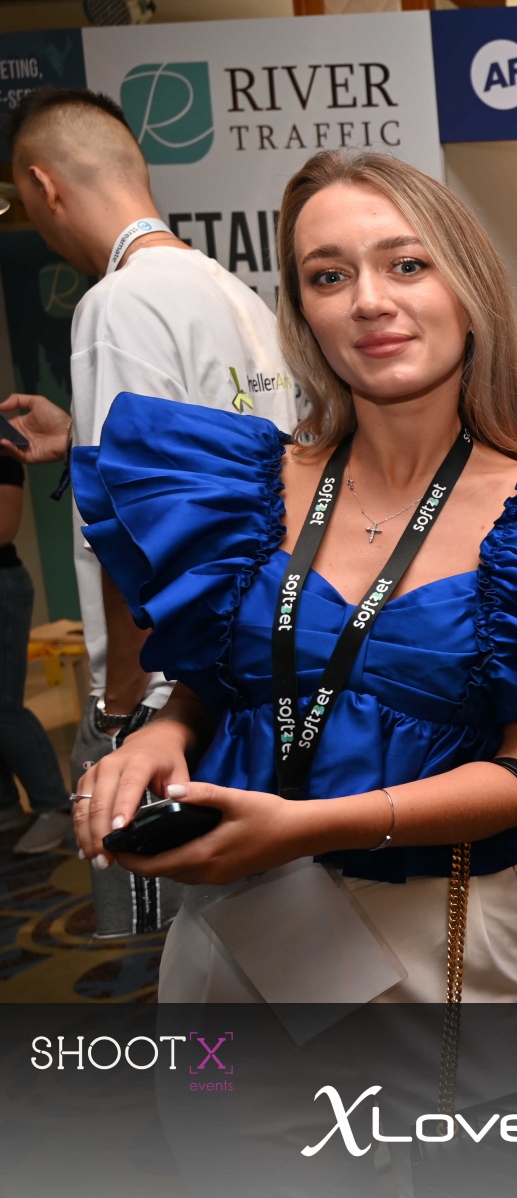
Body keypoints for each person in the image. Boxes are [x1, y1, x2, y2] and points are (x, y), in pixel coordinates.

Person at [69, 150, 517, 1003]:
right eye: (328, 276)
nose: (368, 301)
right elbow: (231, 680)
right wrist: (163, 733)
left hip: (444, 952)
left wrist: (307, 827)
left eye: (407, 265)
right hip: (234, 942)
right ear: (303, 312)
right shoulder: (240, 488)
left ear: (467, 289)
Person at [3, 88, 299, 880]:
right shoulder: (233, 294)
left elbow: (127, 527)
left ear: (43, 186)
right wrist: (80, 436)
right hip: (249, 656)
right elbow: (223, 460)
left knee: (171, 903)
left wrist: (117, 709)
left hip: (171, 686)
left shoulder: (117, 304)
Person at [0, 457, 70, 841]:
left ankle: (54, 806)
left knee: (4, 707)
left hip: (4, 584)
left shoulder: (4, 453)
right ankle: (6, 807)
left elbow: (3, 528)